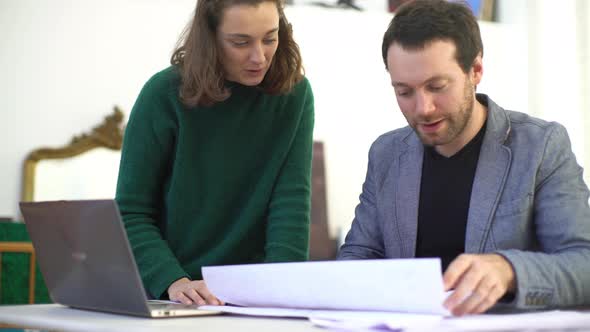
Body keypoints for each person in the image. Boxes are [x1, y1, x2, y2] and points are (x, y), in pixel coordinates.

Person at [338, 0, 590, 316]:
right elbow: (358, 257)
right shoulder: (386, 153)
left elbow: (583, 263)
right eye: (404, 92)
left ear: (476, 71)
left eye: (437, 86)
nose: (422, 108)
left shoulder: (540, 145)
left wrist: (509, 270)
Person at [115, 0, 314, 306]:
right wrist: (173, 280)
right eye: (240, 42)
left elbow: (291, 201)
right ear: (209, 38)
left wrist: (282, 286)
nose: (259, 57)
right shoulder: (162, 94)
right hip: (173, 293)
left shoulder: (295, 94)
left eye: (270, 38)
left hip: (252, 295)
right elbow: (131, 211)